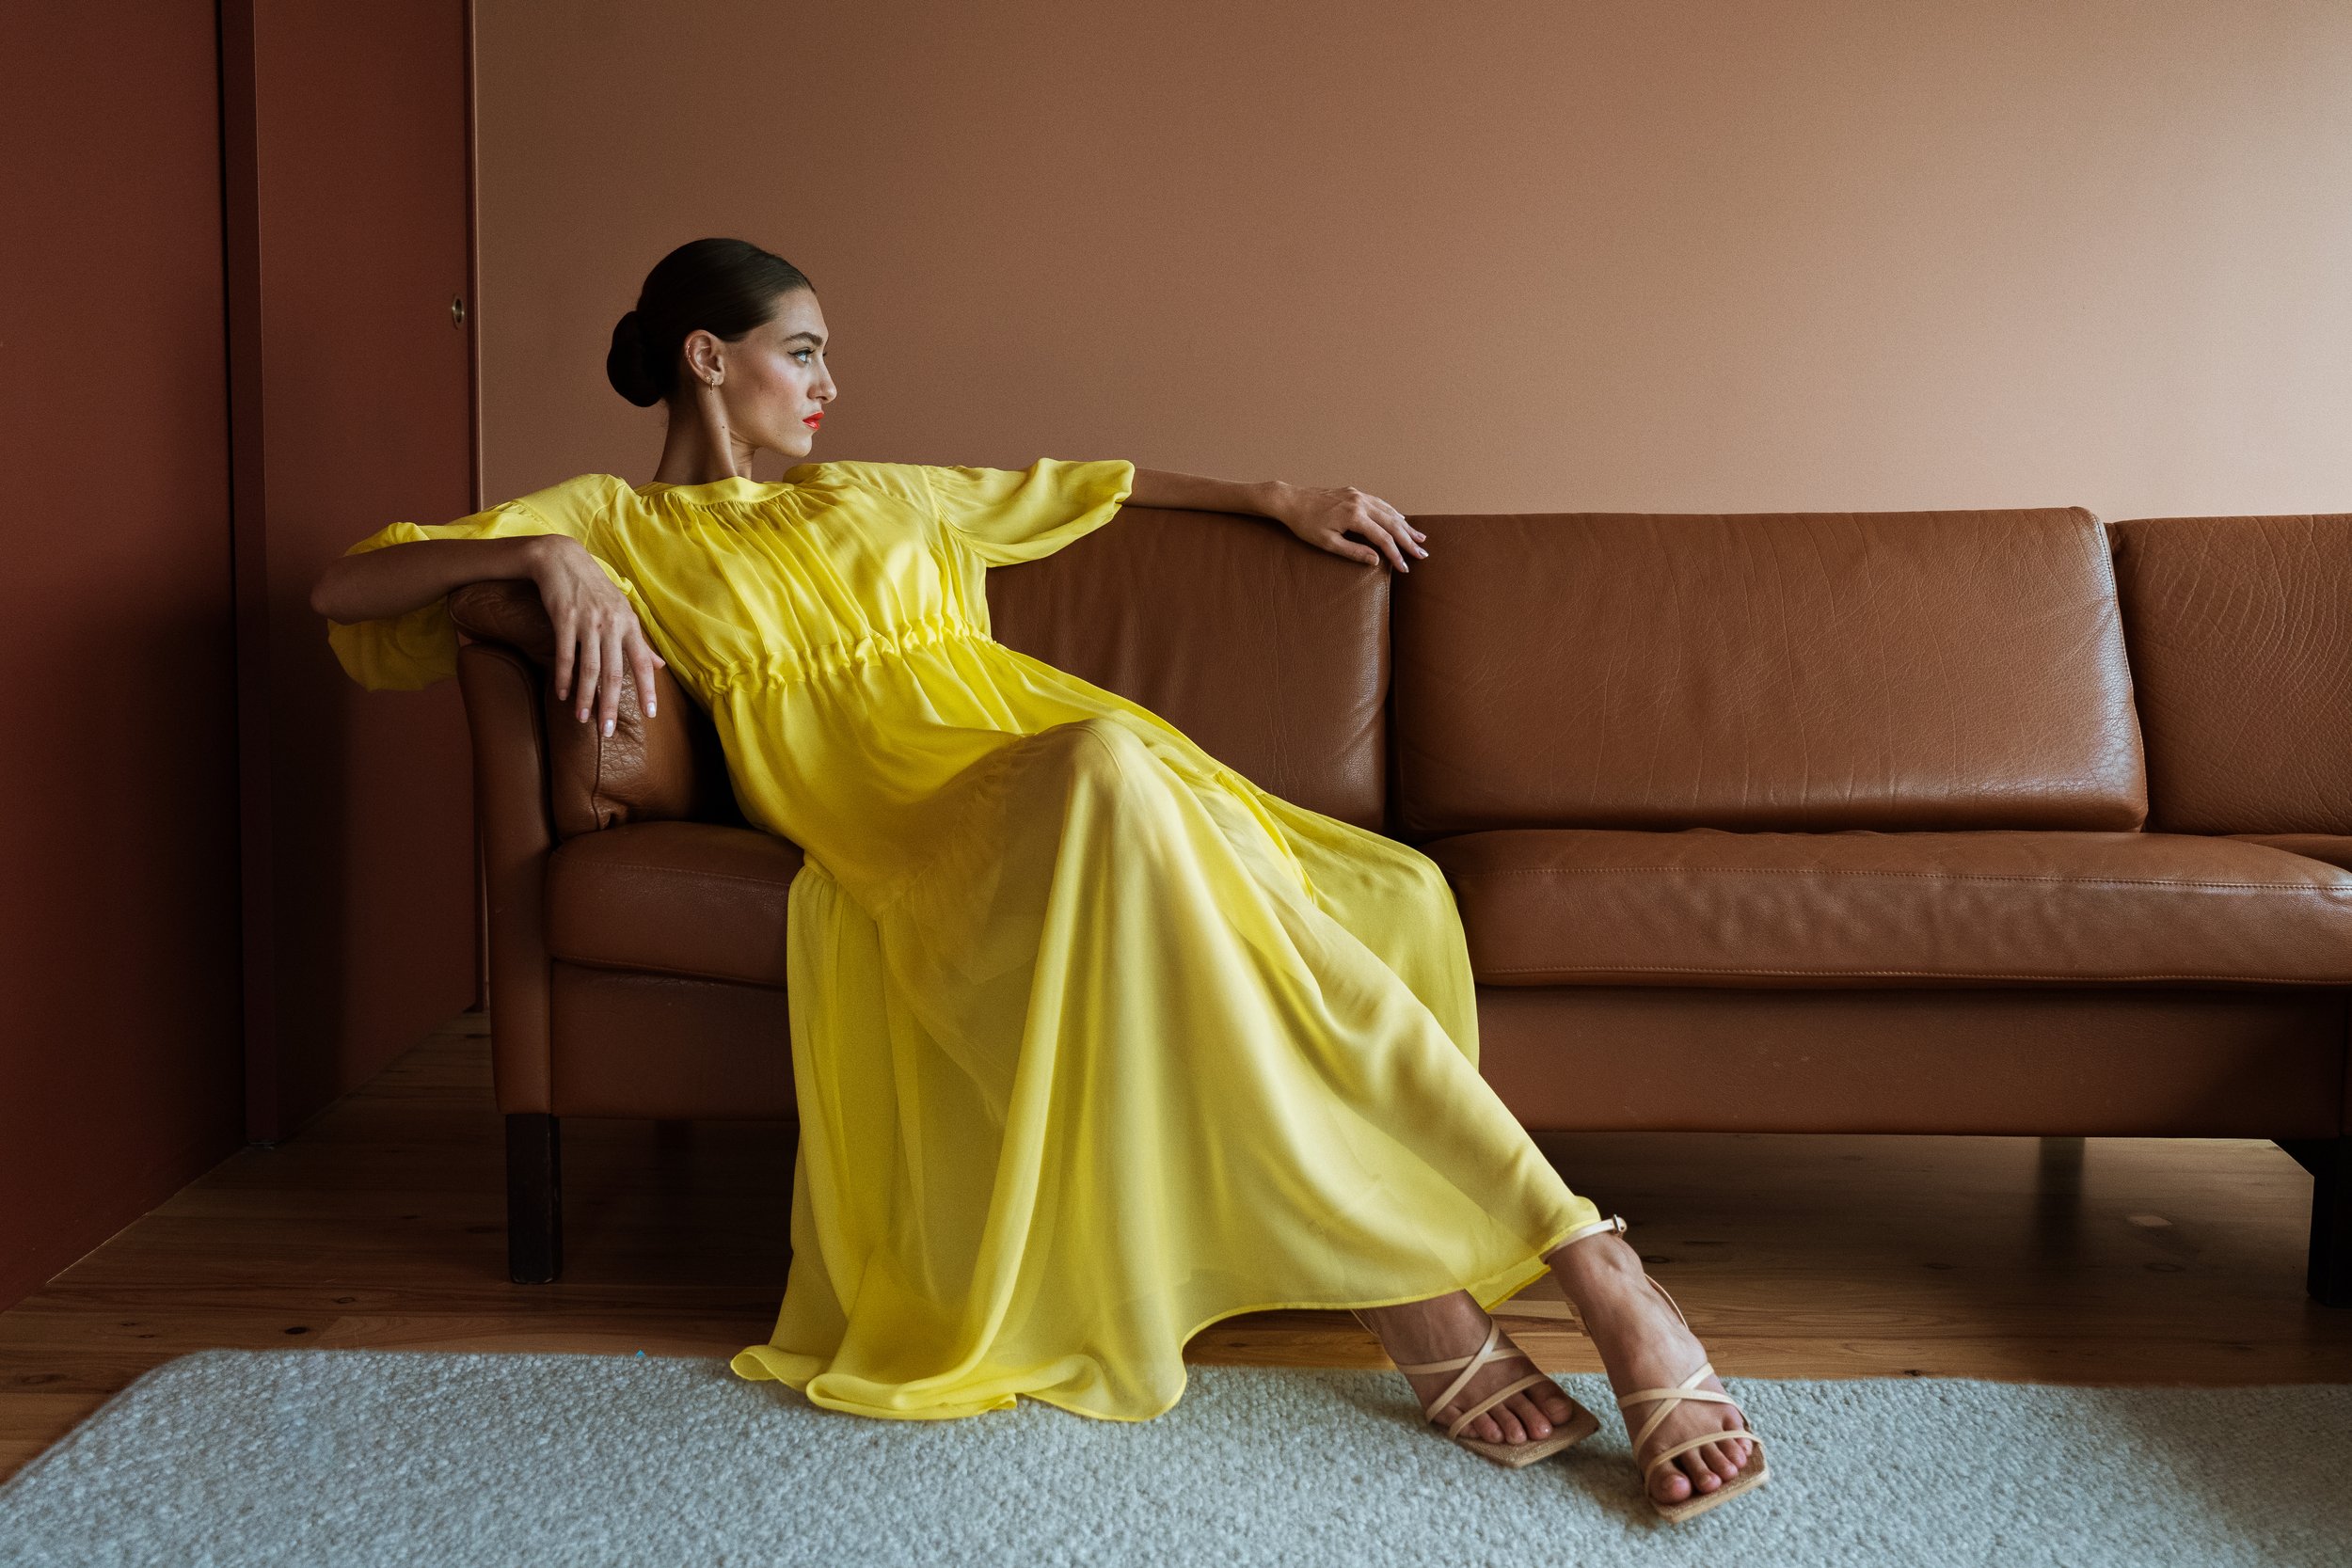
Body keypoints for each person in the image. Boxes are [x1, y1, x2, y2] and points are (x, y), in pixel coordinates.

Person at [310, 237, 1765, 1519]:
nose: (827, 387)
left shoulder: (884, 491)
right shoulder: (614, 523)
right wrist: (550, 555)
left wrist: (1276, 493)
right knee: (1111, 785)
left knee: (1377, 885)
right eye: (801, 351)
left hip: (1078, 769)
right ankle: (1570, 1271)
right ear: (710, 356)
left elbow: (1090, 484)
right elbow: (346, 587)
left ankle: (1493, 1282)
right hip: (915, 815)